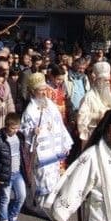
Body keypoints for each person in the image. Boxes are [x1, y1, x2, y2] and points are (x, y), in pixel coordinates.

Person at [20, 72, 73, 211]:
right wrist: (32, 132)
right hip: (41, 152)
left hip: (54, 149)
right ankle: (40, 206)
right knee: (42, 177)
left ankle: (50, 203)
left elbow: (59, 124)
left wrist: (65, 142)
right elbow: (24, 129)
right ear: (33, 91)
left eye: (45, 89)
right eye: (40, 90)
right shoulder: (30, 110)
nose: (44, 92)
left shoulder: (50, 104)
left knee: (54, 176)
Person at [0, 112, 27, 221]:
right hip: (5, 173)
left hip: (17, 172)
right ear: (6, 126)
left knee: (21, 196)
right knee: (5, 198)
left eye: (17, 128)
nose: (15, 130)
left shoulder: (19, 136)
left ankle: (13, 216)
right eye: (12, 128)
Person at [76, 61, 111, 147]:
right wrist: (97, 115)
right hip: (93, 135)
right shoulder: (89, 97)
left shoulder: (109, 95)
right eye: (104, 80)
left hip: (108, 134)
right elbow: (81, 118)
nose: (107, 83)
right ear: (97, 81)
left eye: (108, 81)